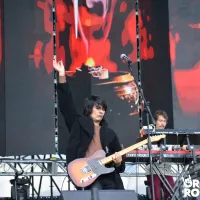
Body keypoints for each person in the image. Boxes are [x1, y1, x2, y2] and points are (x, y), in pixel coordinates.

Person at [53, 59, 125, 190]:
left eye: (103, 109)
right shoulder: (79, 124)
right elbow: (66, 105)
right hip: (89, 175)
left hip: (108, 175)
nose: (101, 111)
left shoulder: (109, 133)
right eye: (98, 108)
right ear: (89, 109)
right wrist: (62, 75)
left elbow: (119, 164)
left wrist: (119, 162)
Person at [140, 110, 175, 200]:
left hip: (166, 169)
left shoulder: (169, 135)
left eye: (164, 121)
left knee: (171, 192)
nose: (162, 123)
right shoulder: (148, 132)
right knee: (156, 195)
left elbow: (176, 148)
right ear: (155, 121)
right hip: (153, 169)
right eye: (160, 120)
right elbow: (141, 148)